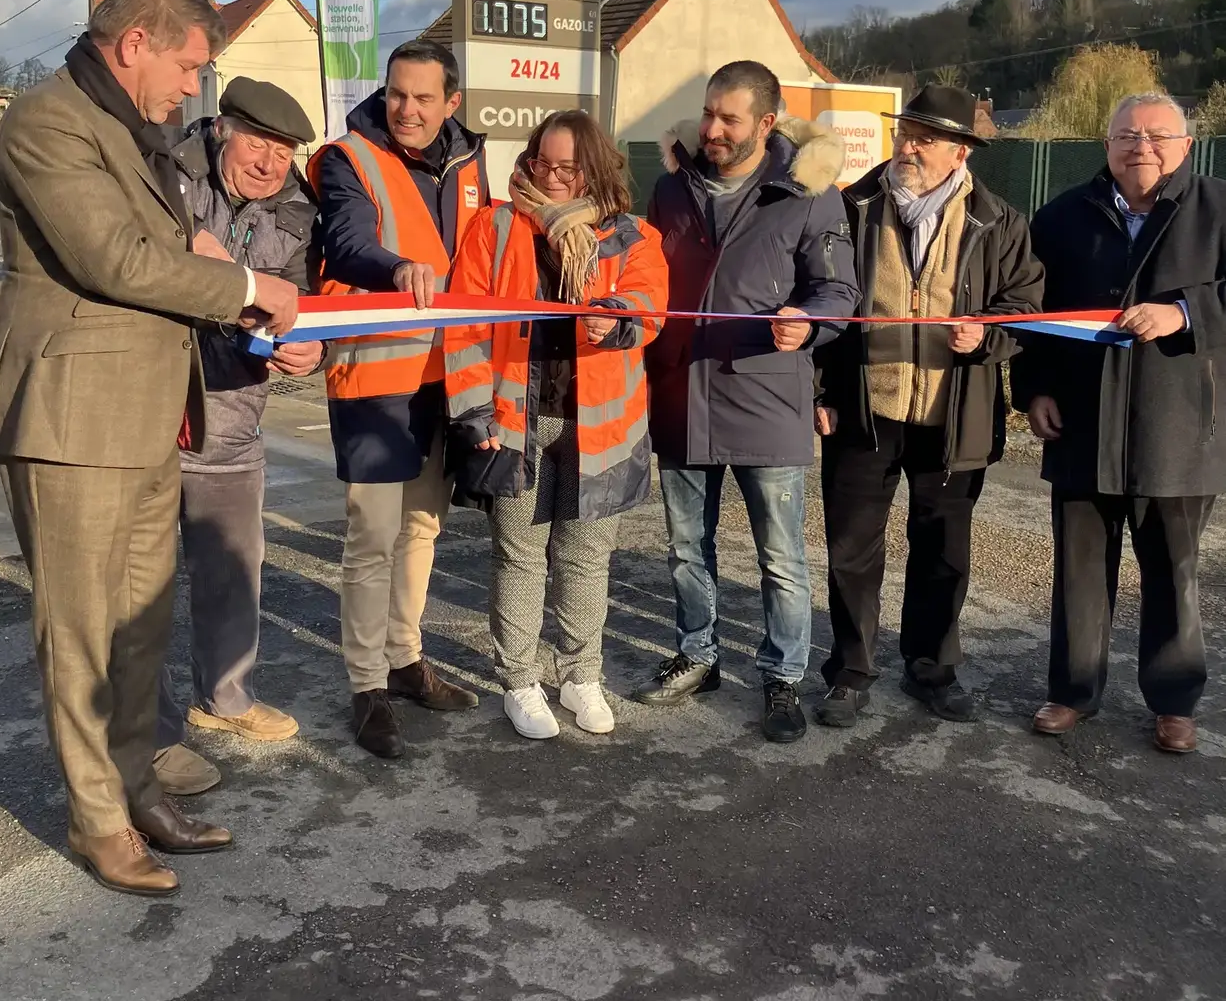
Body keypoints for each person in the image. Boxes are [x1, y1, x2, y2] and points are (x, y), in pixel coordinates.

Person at [0, 0, 300, 897]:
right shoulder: (47, 124)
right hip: (73, 418)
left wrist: (227, 279)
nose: (194, 87)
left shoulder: (134, 134)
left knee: (141, 627)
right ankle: (97, 821)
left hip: (152, 415)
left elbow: (167, 248)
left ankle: (134, 787)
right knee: (81, 633)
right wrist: (244, 289)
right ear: (136, 45)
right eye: (190, 64)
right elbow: (111, 258)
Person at [634, 61, 858, 742]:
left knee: (779, 558)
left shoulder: (808, 194)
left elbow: (840, 293)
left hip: (767, 399)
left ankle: (783, 676)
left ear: (766, 123)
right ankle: (698, 655)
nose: (712, 129)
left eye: (729, 118)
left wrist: (810, 323)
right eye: (708, 114)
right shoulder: (670, 189)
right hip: (680, 396)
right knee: (685, 547)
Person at [814, 85, 1044, 726]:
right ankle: (852, 670)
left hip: (955, 414)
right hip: (863, 407)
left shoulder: (999, 223)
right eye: (905, 132)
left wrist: (989, 335)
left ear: (961, 150)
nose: (908, 147)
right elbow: (821, 297)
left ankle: (930, 668)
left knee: (943, 549)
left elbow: (1026, 305)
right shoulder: (851, 207)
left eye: (925, 138)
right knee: (851, 549)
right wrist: (819, 391)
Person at [444, 111, 669, 739]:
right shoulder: (494, 225)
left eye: (567, 166)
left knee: (587, 557)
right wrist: (474, 409)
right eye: (543, 161)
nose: (551, 175)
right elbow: (463, 323)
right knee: (518, 557)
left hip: (601, 425)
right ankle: (519, 680)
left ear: (594, 167)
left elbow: (652, 305)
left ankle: (581, 675)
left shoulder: (630, 235)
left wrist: (618, 316)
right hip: (519, 419)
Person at [1014, 92, 1225, 755]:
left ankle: (1174, 701)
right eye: (1127, 134)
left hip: (1181, 423)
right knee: (1079, 568)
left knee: (1172, 567)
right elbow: (1031, 310)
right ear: (1106, 145)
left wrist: (1184, 313)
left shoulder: (1218, 208)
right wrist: (1033, 390)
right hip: (1083, 418)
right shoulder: (1060, 216)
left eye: (1157, 135)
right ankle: (1073, 691)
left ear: (1185, 145)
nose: (1142, 146)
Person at [309, 41, 489, 759]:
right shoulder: (349, 158)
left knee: (422, 530)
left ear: (451, 104)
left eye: (422, 98)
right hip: (377, 377)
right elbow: (347, 243)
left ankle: (406, 659)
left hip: (448, 378)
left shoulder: (471, 166)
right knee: (372, 539)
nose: (406, 110)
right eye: (396, 95)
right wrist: (398, 267)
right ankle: (366, 686)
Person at [153, 78, 324, 798]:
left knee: (233, 568)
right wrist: (204, 261)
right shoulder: (163, 172)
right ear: (223, 128)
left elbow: (300, 304)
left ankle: (224, 700)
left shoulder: (298, 212)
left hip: (233, 414)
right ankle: (154, 737)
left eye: (283, 151)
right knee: (144, 588)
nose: (269, 162)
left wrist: (307, 348)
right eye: (258, 142)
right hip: (154, 415)